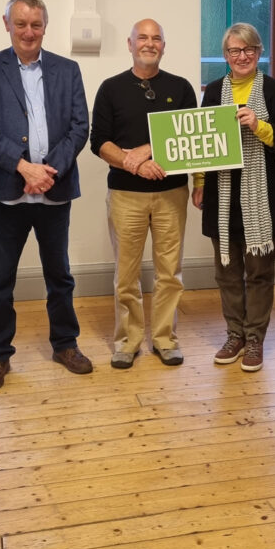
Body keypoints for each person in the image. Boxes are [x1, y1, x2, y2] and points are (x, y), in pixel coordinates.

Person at [0, 0, 91, 391]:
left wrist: (47, 172)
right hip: (7, 192)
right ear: (7, 24)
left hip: (53, 192)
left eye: (35, 24)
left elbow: (79, 128)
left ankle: (65, 344)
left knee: (60, 275)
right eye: (20, 23)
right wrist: (23, 167)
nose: (28, 31)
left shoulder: (68, 69)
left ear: (45, 26)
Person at [90, 19, 196, 369]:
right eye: (142, 38)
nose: (149, 43)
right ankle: (127, 341)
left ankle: (165, 339)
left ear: (164, 46)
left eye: (156, 38)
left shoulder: (181, 89)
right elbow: (99, 143)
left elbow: (191, 138)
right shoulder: (111, 88)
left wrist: (149, 149)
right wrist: (134, 164)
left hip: (172, 193)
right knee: (126, 273)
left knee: (170, 272)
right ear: (130, 44)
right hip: (126, 195)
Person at [193, 23, 275, 373]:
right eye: (235, 51)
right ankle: (234, 333)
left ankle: (254, 339)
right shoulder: (215, 89)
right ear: (226, 56)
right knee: (227, 271)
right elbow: (202, 140)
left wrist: (258, 125)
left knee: (259, 271)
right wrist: (199, 180)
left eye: (249, 50)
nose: (242, 56)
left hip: (262, 192)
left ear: (259, 52)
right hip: (221, 191)